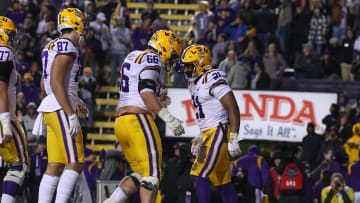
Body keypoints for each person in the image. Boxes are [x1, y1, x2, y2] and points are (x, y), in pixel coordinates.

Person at [104, 30, 184, 203]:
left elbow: (135, 89)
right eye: (172, 54)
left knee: (140, 174)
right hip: (138, 120)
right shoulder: (153, 58)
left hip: (121, 122)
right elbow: (145, 92)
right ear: (164, 47)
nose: (171, 59)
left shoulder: (133, 55)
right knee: (153, 174)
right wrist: (169, 119)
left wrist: (157, 100)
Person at [36, 8, 89, 203]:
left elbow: (45, 82)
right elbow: (56, 82)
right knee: (76, 162)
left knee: (56, 165)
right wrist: (71, 113)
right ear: (76, 23)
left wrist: (76, 101)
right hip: (60, 109)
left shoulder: (52, 45)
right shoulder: (68, 45)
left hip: (52, 107)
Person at [181, 44, 241, 203]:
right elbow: (206, 112)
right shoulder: (193, 82)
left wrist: (234, 137)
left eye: (189, 66)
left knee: (198, 174)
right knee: (222, 181)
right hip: (209, 132)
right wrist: (200, 136)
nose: (186, 70)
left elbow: (232, 107)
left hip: (218, 131)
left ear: (201, 63)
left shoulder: (212, 77)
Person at [0, 16, 29, 203]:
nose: (11, 40)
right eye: (9, 35)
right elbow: (1, 89)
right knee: (19, 164)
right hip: (3, 117)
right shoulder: (4, 52)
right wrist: (5, 121)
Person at [109, 16, 131, 86]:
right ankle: (112, 85)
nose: (118, 22)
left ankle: (123, 84)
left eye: (119, 20)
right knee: (112, 70)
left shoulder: (126, 30)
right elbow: (110, 41)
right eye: (117, 20)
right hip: (113, 52)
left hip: (122, 52)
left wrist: (122, 40)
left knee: (123, 70)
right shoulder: (113, 30)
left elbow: (128, 41)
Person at [29, 136, 48, 203]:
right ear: (38, 145)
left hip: (45, 182)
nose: (42, 146)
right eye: (40, 144)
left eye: (44, 144)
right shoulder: (34, 156)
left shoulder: (49, 156)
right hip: (35, 184)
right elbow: (31, 170)